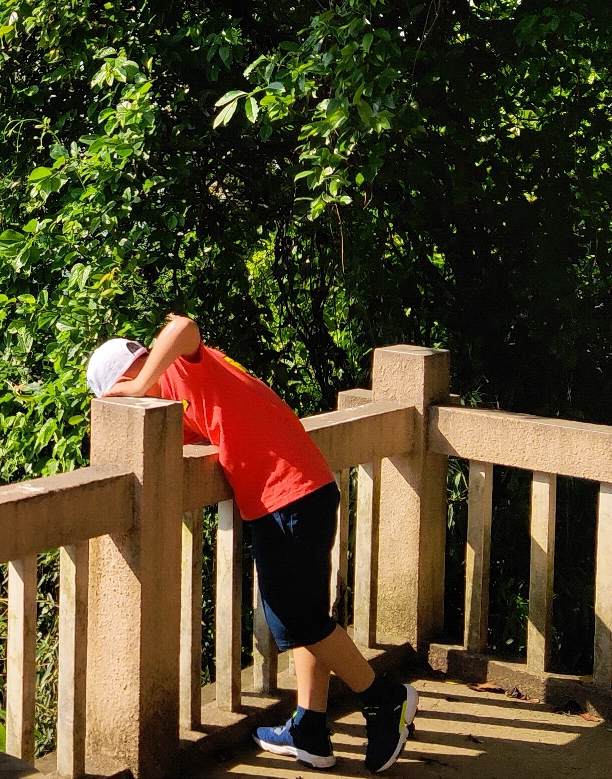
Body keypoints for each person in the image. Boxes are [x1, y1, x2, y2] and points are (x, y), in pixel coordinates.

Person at [86, 315, 416, 773]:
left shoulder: (182, 369)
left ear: (128, 377)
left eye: (123, 393)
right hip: (302, 490)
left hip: (289, 495)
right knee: (309, 617)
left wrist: (142, 381)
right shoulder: (184, 395)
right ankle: (310, 728)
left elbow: (183, 325)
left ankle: (384, 698)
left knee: (296, 617)